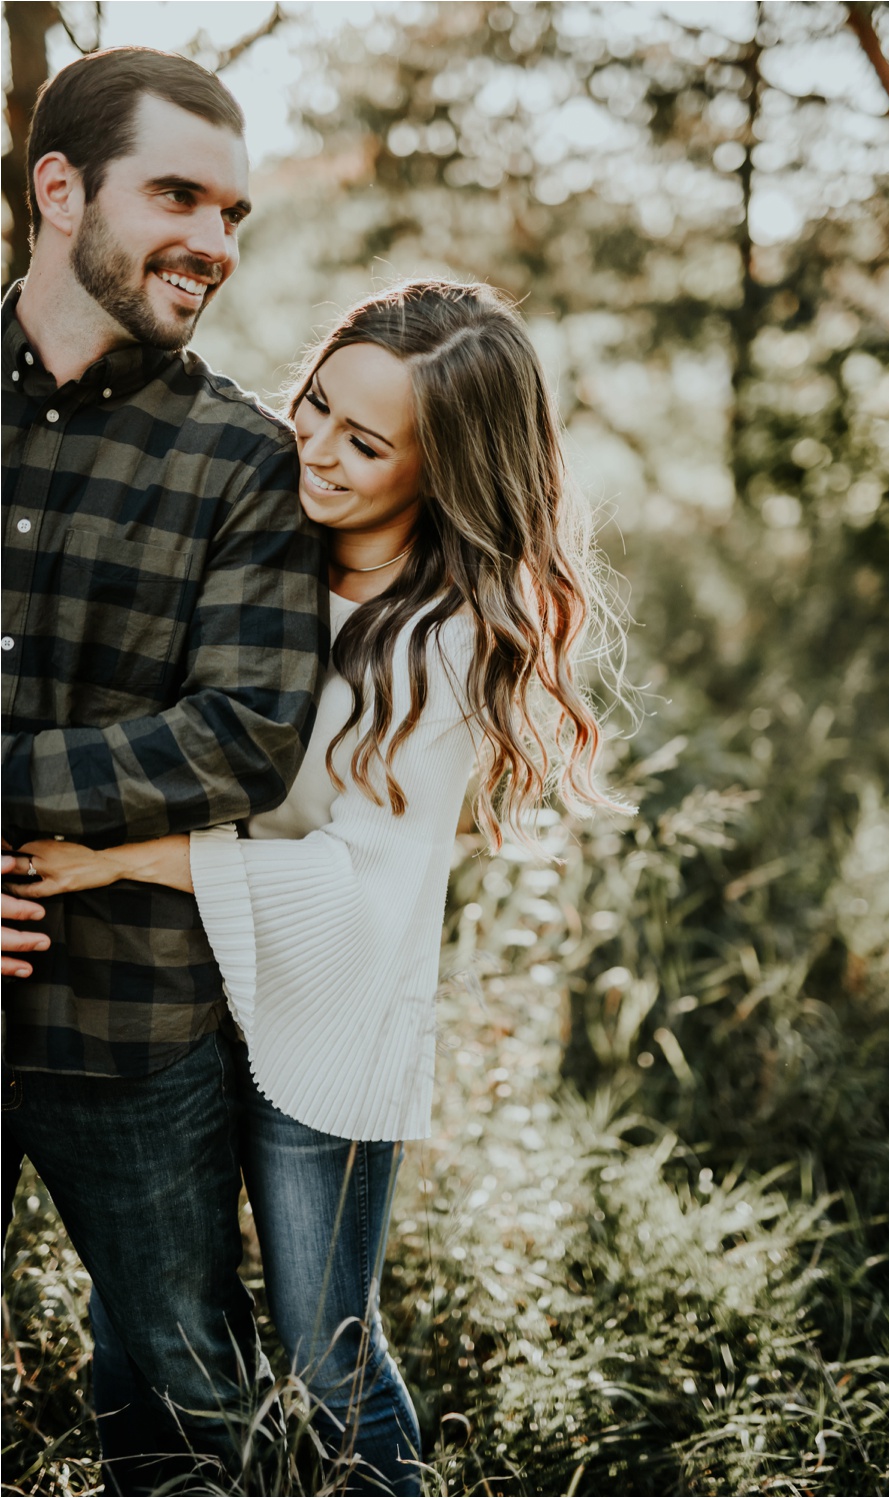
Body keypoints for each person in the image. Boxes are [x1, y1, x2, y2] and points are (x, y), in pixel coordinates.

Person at [14, 278, 629, 1495]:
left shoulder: (441, 636)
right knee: (142, 1330)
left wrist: (121, 854)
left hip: (324, 1036)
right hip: (181, 996)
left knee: (329, 1358)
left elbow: (354, 889)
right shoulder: (261, 540)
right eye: (315, 408)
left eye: (365, 441)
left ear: (443, 471)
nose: (318, 450)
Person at [0, 46, 325, 1495]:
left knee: (193, 1409)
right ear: (57, 188)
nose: (215, 240)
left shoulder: (247, 463)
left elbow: (242, 733)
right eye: (179, 194)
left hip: (131, 1026)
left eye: (235, 212)